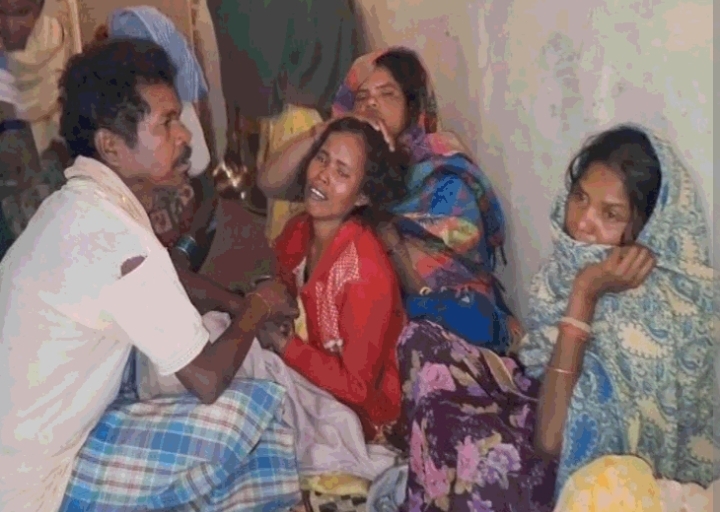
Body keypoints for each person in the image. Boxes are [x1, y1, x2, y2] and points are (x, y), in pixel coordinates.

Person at [0, 39, 301, 511]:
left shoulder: (75, 206)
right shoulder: (115, 235)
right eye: (166, 123)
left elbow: (166, 276)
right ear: (112, 147)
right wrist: (258, 306)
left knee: (179, 361)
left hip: (22, 447)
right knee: (253, 414)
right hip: (31, 486)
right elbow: (206, 379)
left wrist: (236, 305)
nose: (184, 136)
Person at [259, 47, 519, 354]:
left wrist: (386, 239)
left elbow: (438, 289)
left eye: (387, 94)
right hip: (358, 310)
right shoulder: (345, 162)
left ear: (412, 106)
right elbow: (269, 182)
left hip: (439, 323)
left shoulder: (443, 176)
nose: (371, 104)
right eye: (361, 97)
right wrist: (326, 129)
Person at [518, 125, 716, 494]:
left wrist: (584, 294)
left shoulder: (656, 316)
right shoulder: (558, 273)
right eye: (580, 197)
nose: (582, 223)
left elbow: (551, 441)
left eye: (610, 214)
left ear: (649, 226)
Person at [261, 116, 408, 441]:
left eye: (342, 172)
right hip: (305, 374)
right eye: (322, 158)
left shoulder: (364, 274)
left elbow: (358, 388)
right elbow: (283, 289)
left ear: (361, 196)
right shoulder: (298, 232)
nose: (323, 175)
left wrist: (286, 346)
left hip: (360, 416)